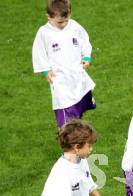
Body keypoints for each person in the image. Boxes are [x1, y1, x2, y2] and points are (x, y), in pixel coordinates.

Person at [32, 0, 96, 128]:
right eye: (60, 22)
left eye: (66, 20)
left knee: (78, 110)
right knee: (66, 120)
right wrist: (46, 71)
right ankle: (69, 144)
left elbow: (85, 42)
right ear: (48, 16)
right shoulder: (44, 33)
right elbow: (39, 52)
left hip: (77, 76)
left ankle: (79, 139)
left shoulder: (75, 26)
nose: (64, 24)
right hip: (60, 80)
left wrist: (86, 57)